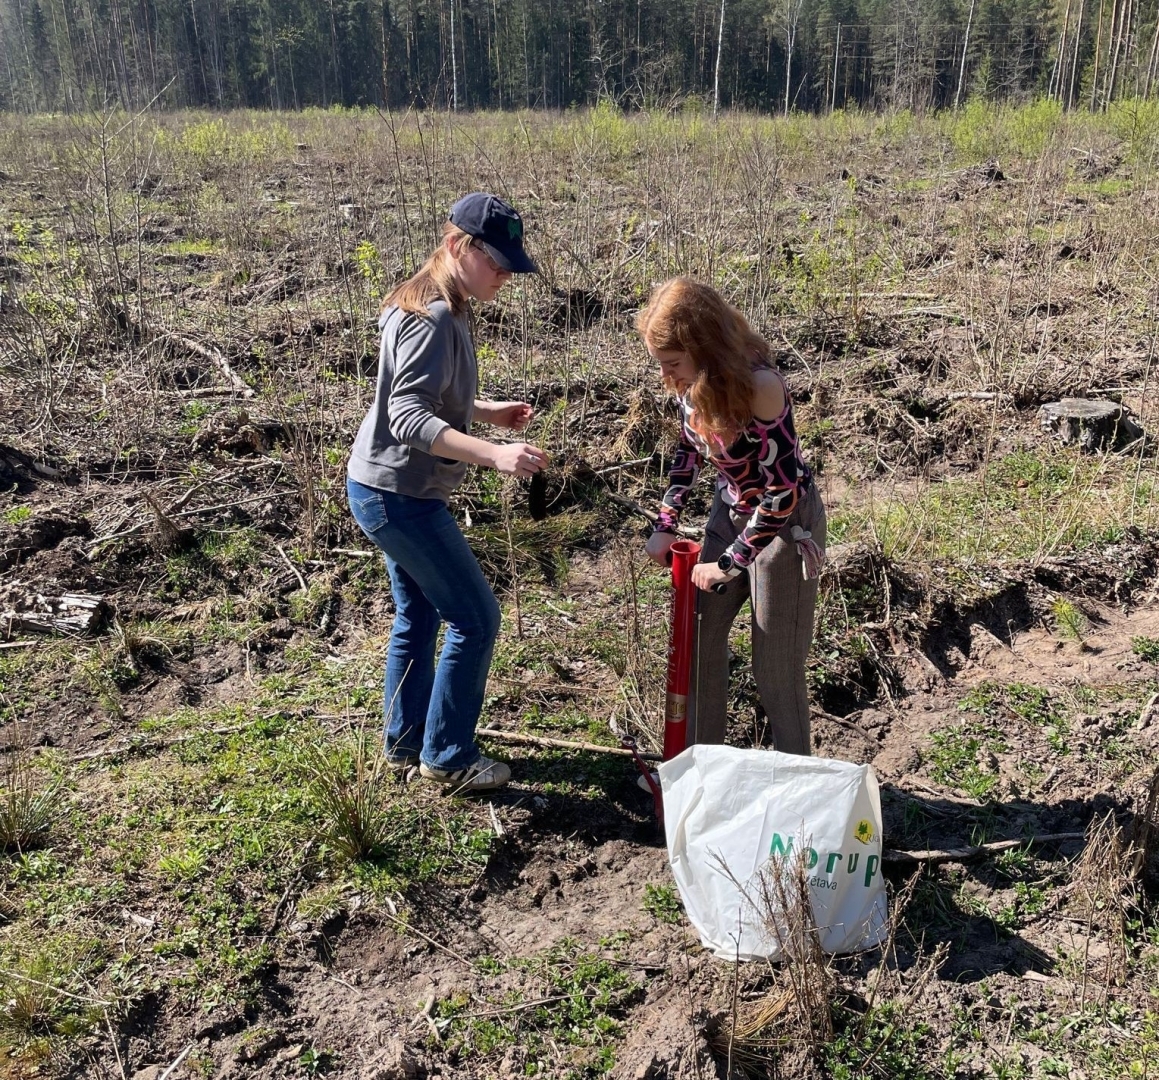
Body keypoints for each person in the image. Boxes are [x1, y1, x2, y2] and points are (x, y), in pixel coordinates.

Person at [347, 193, 547, 792]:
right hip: (398, 498)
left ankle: (407, 743)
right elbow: (406, 415)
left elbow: (425, 395)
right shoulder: (434, 315)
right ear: (460, 246)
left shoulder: (444, 303)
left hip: (382, 487)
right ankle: (449, 756)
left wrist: (486, 413)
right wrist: (495, 455)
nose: (508, 276)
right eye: (499, 263)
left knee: (419, 613)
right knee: (477, 617)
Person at [638, 277, 826, 755]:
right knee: (699, 638)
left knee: (775, 667)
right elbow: (688, 450)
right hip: (731, 510)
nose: (668, 378)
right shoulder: (690, 384)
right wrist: (665, 524)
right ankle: (705, 767)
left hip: (784, 524)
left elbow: (781, 491)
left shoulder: (760, 386)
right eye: (661, 365)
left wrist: (728, 564)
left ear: (705, 348)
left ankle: (795, 783)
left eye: (674, 364)